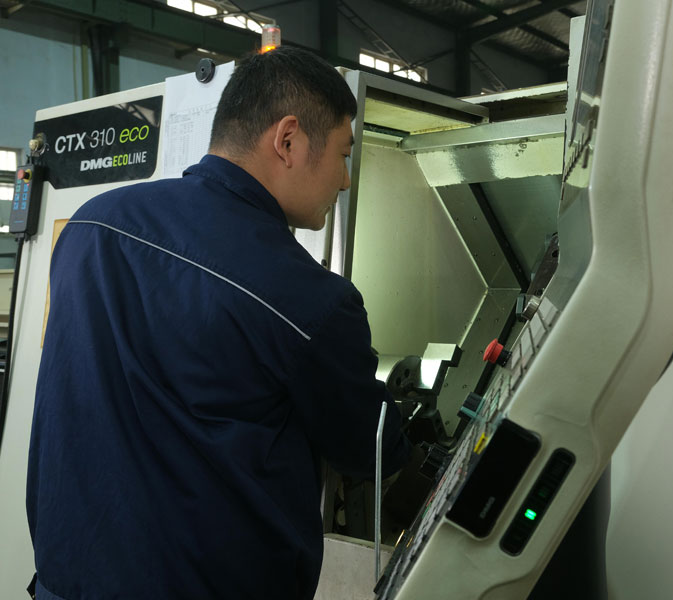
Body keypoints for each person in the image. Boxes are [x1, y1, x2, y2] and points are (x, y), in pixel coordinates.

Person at [27, 46, 411, 600]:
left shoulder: (92, 226)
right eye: (343, 155)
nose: (346, 181)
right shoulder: (309, 299)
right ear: (288, 140)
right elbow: (371, 447)